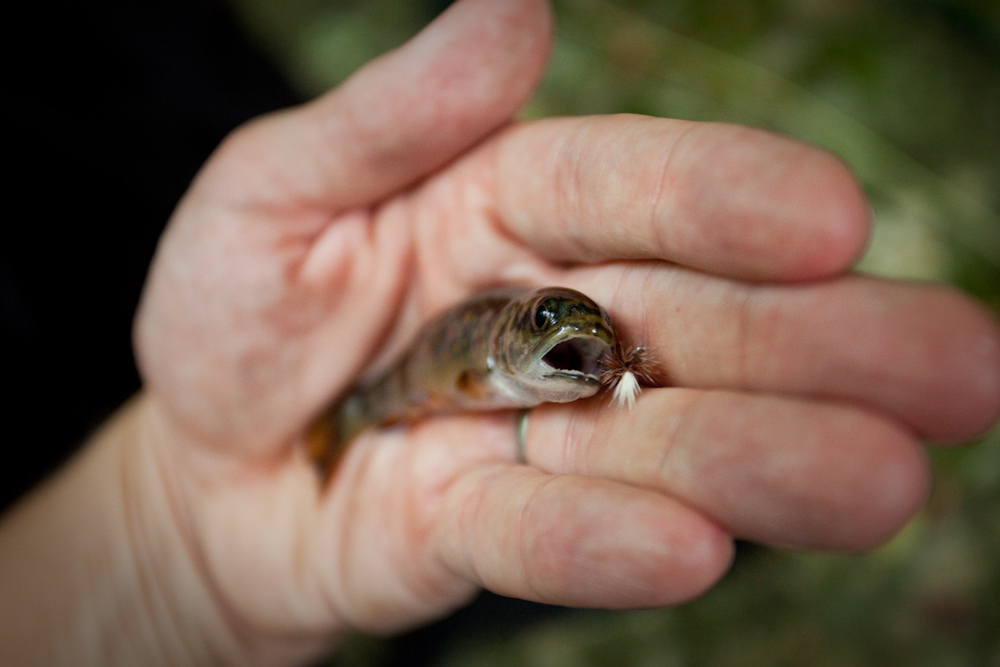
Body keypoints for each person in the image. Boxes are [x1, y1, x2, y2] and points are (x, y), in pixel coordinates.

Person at [1, 0, 998, 664]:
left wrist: (157, 534)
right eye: (554, 329)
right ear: (511, 349)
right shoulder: (463, 373)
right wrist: (164, 537)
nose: (586, 348)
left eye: (587, 341)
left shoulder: (583, 362)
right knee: (514, 544)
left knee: (619, 519)